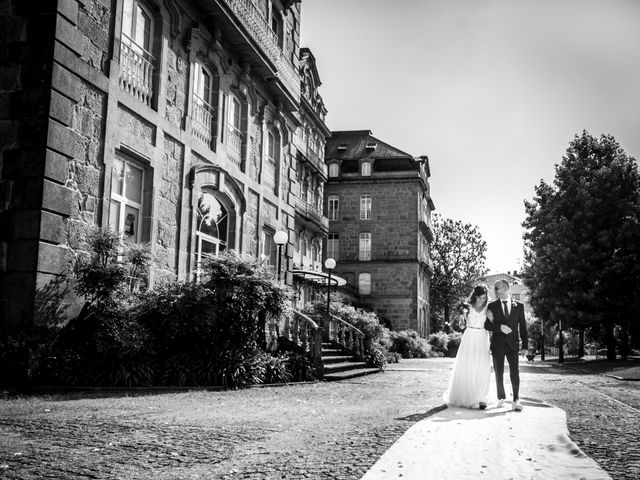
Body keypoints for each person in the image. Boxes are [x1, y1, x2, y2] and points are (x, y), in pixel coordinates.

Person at [443, 285, 492, 409]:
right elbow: (461, 326)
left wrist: (492, 318)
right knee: (467, 365)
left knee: (482, 365)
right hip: (469, 335)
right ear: (474, 296)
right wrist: (462, 317)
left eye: (484, 298)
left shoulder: (488, 308)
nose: (482, 300)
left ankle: (482, 398)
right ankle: (467, 396)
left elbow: (492, 324)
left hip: (482, 336)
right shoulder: (467, 307)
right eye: (479, 297)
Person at [484, 279, 528, 411]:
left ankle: (516, 399)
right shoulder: (492, 306)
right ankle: (501, 397)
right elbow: (487, 325)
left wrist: (525, 346)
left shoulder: (519, 306)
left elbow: (523, 327)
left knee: (515, 372)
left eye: (497, 288)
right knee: (499, 372)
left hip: (513, 344)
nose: (495, 291)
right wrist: (499, 327)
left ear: (505, 288)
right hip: (497, 344)